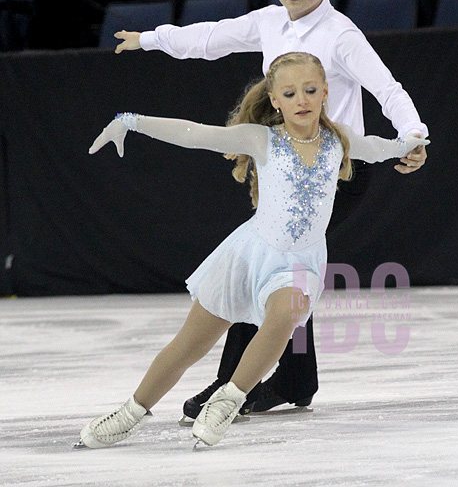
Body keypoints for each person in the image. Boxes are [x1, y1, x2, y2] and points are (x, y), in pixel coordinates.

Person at [112, 0, 429, 419]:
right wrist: (149, 38)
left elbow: (388, 89)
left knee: (270, 266)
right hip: (281, 165)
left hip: (335, 170)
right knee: (283, 273)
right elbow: (211, 38)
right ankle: (296, 379)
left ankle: (232, 382)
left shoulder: (342, 35)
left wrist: (414, 136)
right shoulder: (268, 22)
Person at [77, 52, 429, 449]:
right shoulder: (263, 138)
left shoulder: (340, 141)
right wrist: (132, 121)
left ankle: (227, 401)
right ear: (275, 99)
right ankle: (129, 413)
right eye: (291, 92)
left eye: (311, 90)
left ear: (326, 92)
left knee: (285, 314)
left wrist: (410, 147)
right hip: (248, 256)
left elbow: (381, 147)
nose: (302, 100)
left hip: (300, 264)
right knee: (189, 345)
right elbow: (197, 134)